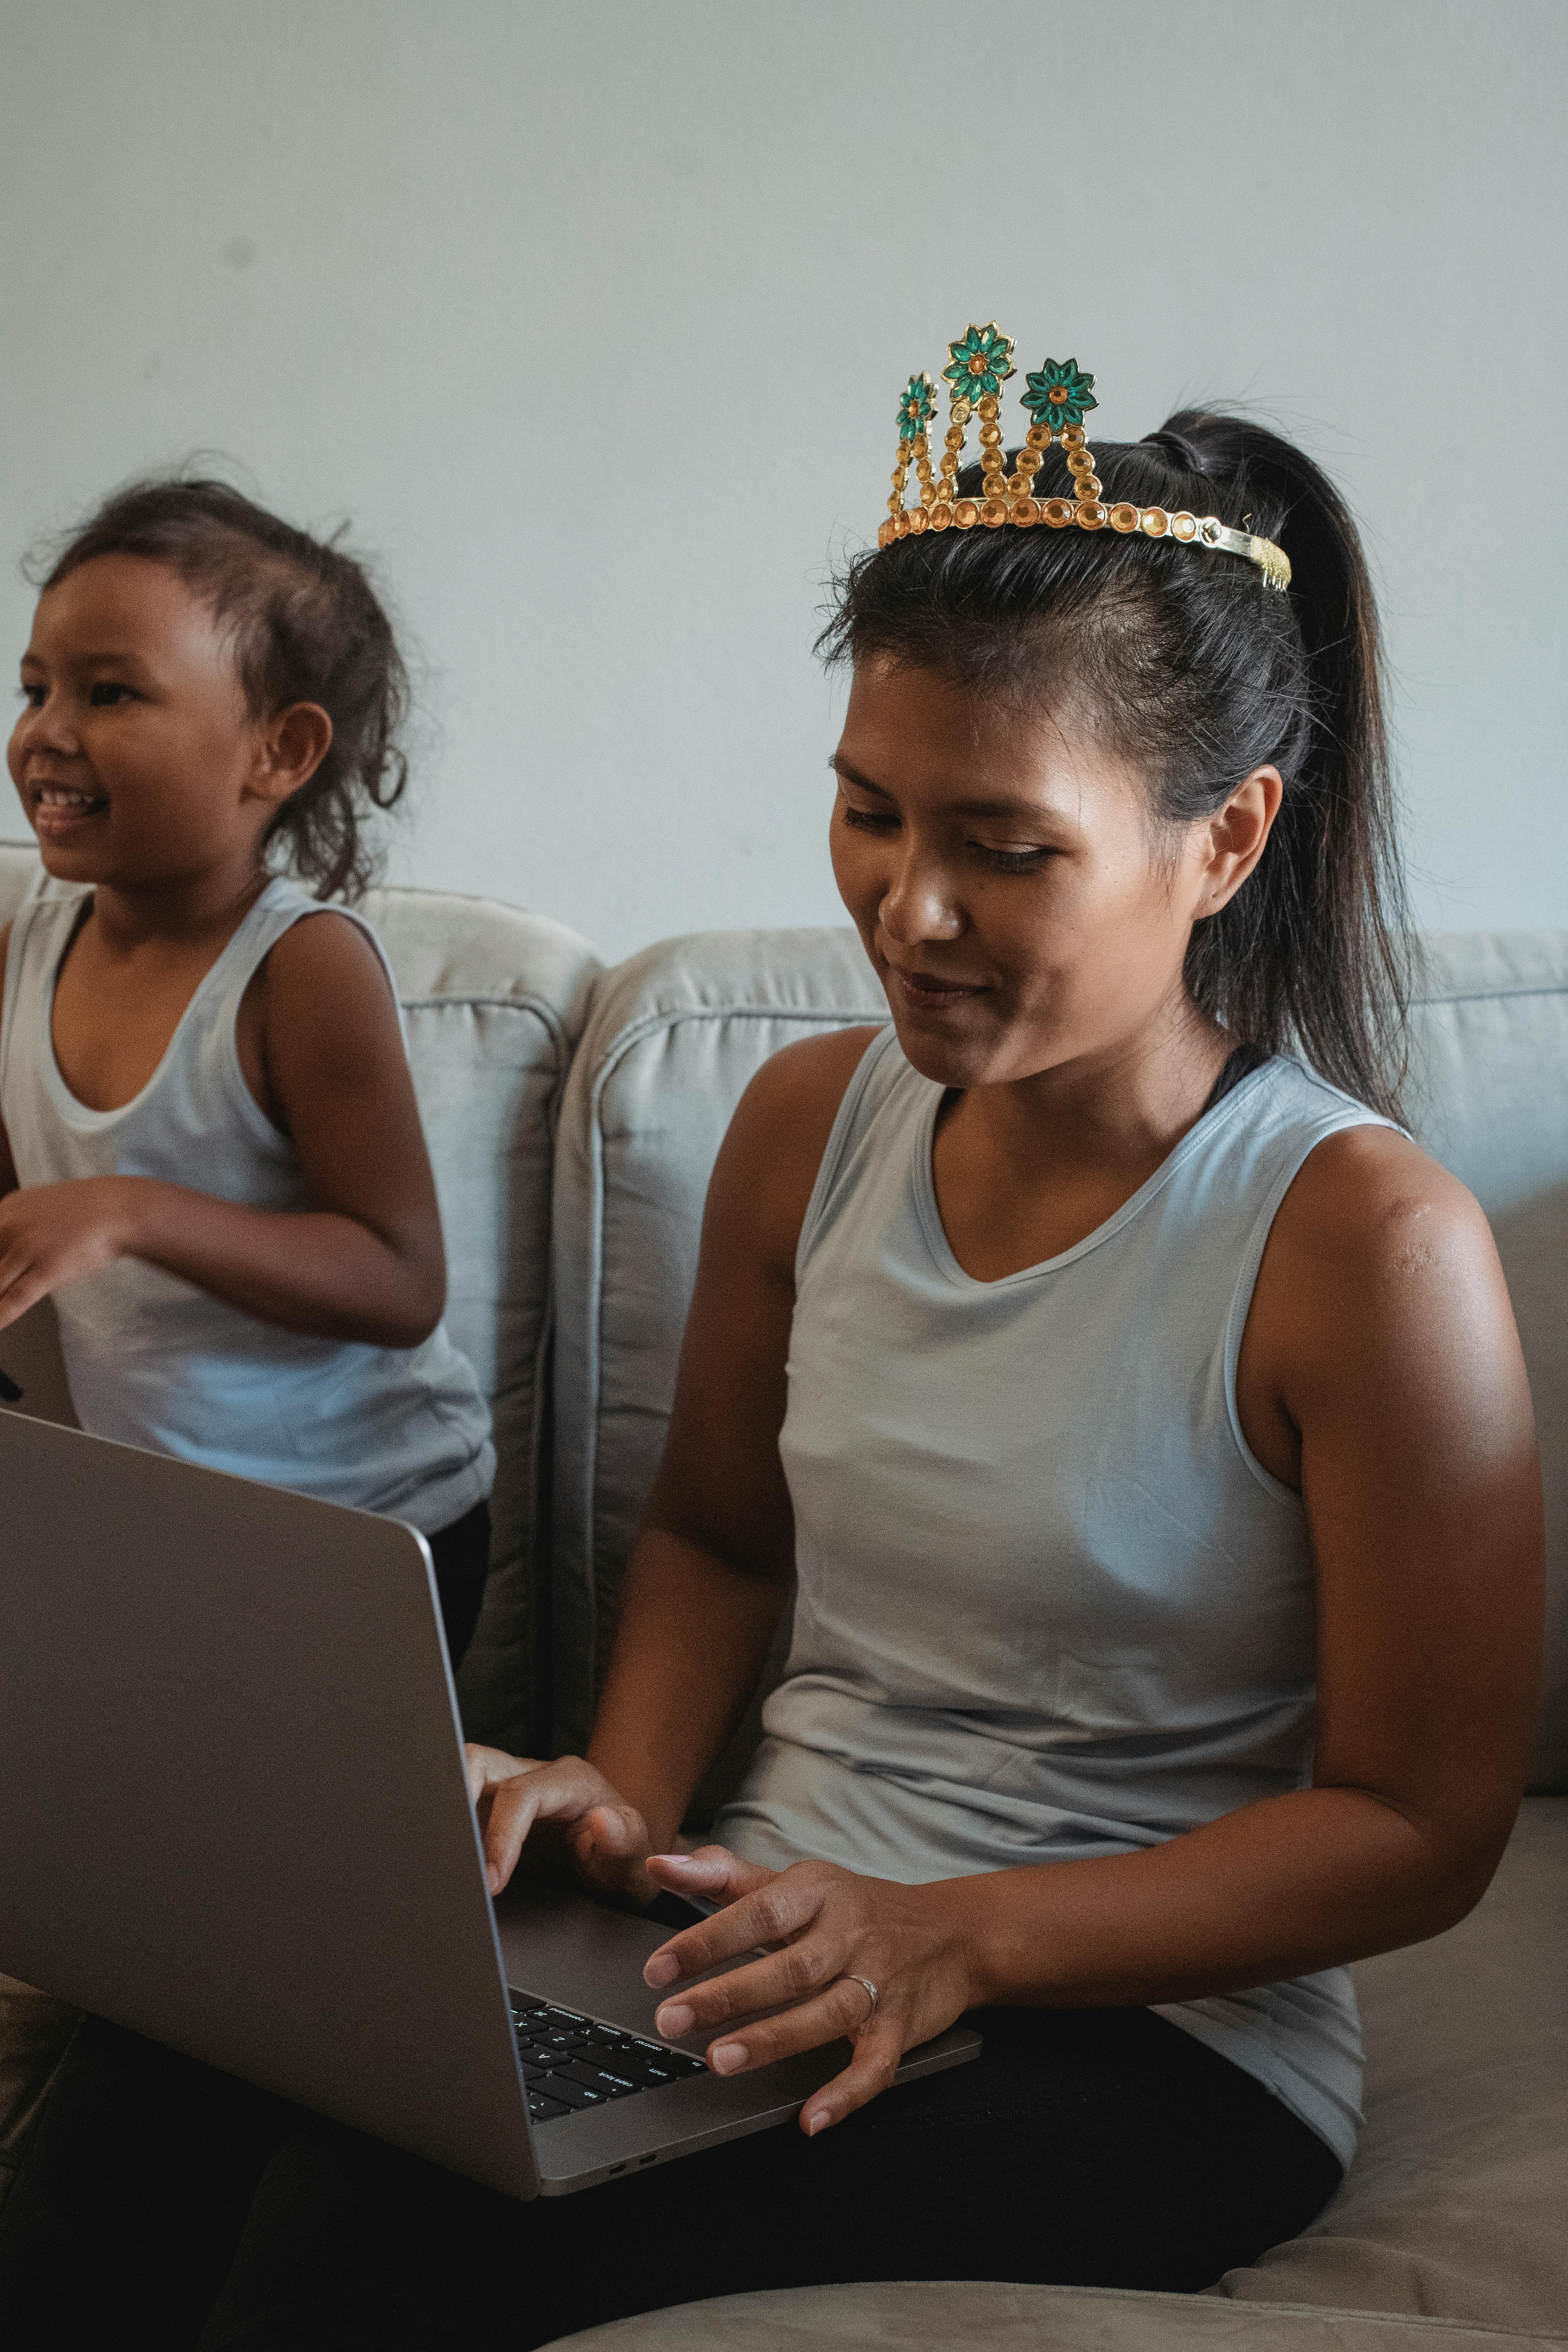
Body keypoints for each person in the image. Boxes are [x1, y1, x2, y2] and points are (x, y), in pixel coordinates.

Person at [0, 372, 1543, 2349]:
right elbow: (722, 1537)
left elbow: (1422, 1821)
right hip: (749, 1913)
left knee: (359, 2249)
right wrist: (619, 1794)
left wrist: (961, 1934)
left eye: (1003, 846)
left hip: (1148, 2037)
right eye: (868, 809)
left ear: (1225, 838)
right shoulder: (810, 1122)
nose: (905, 909)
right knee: (157, 2075)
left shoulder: (1363, 1244)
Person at [0, 479, 495, 1666]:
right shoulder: (23, 951)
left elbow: (399, 1277)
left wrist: (131, 1213)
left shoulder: (300, 969)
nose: (46, 731)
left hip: (366, 1526)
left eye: (109, 692)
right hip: (171, 1520)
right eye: (35, 687)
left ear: (280, 749)